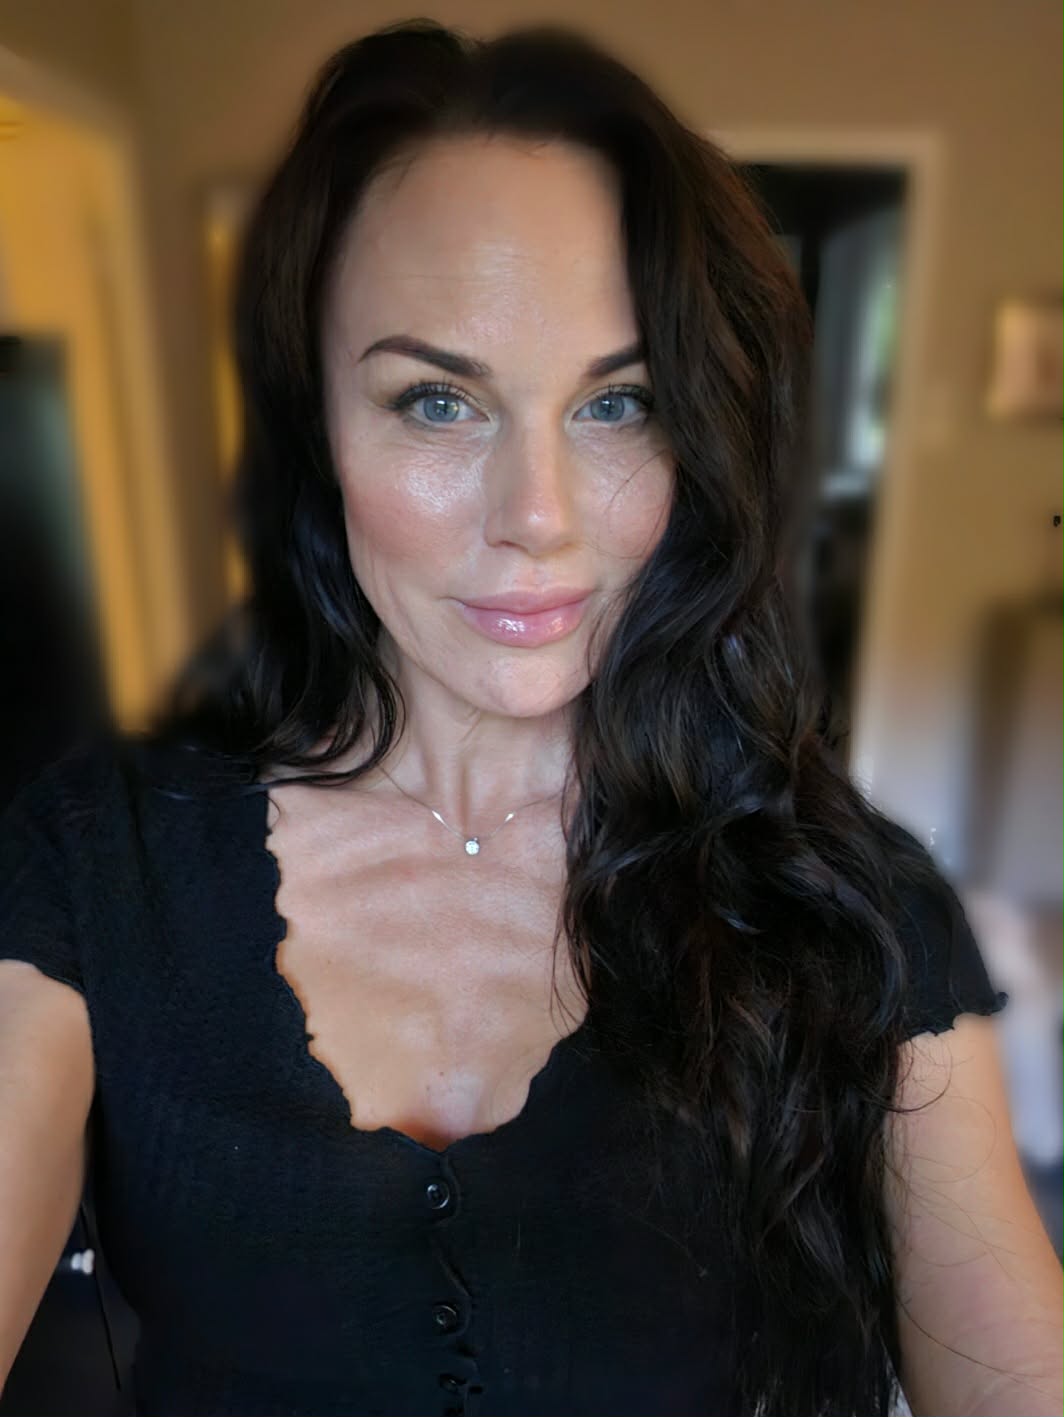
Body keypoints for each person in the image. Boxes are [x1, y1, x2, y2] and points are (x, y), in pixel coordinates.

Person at [1, 18, 1062, 1417]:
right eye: (438, 401)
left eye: (619, 402)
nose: (539, 520)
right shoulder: (95, 865)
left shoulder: (855, 905)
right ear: (319, 423)